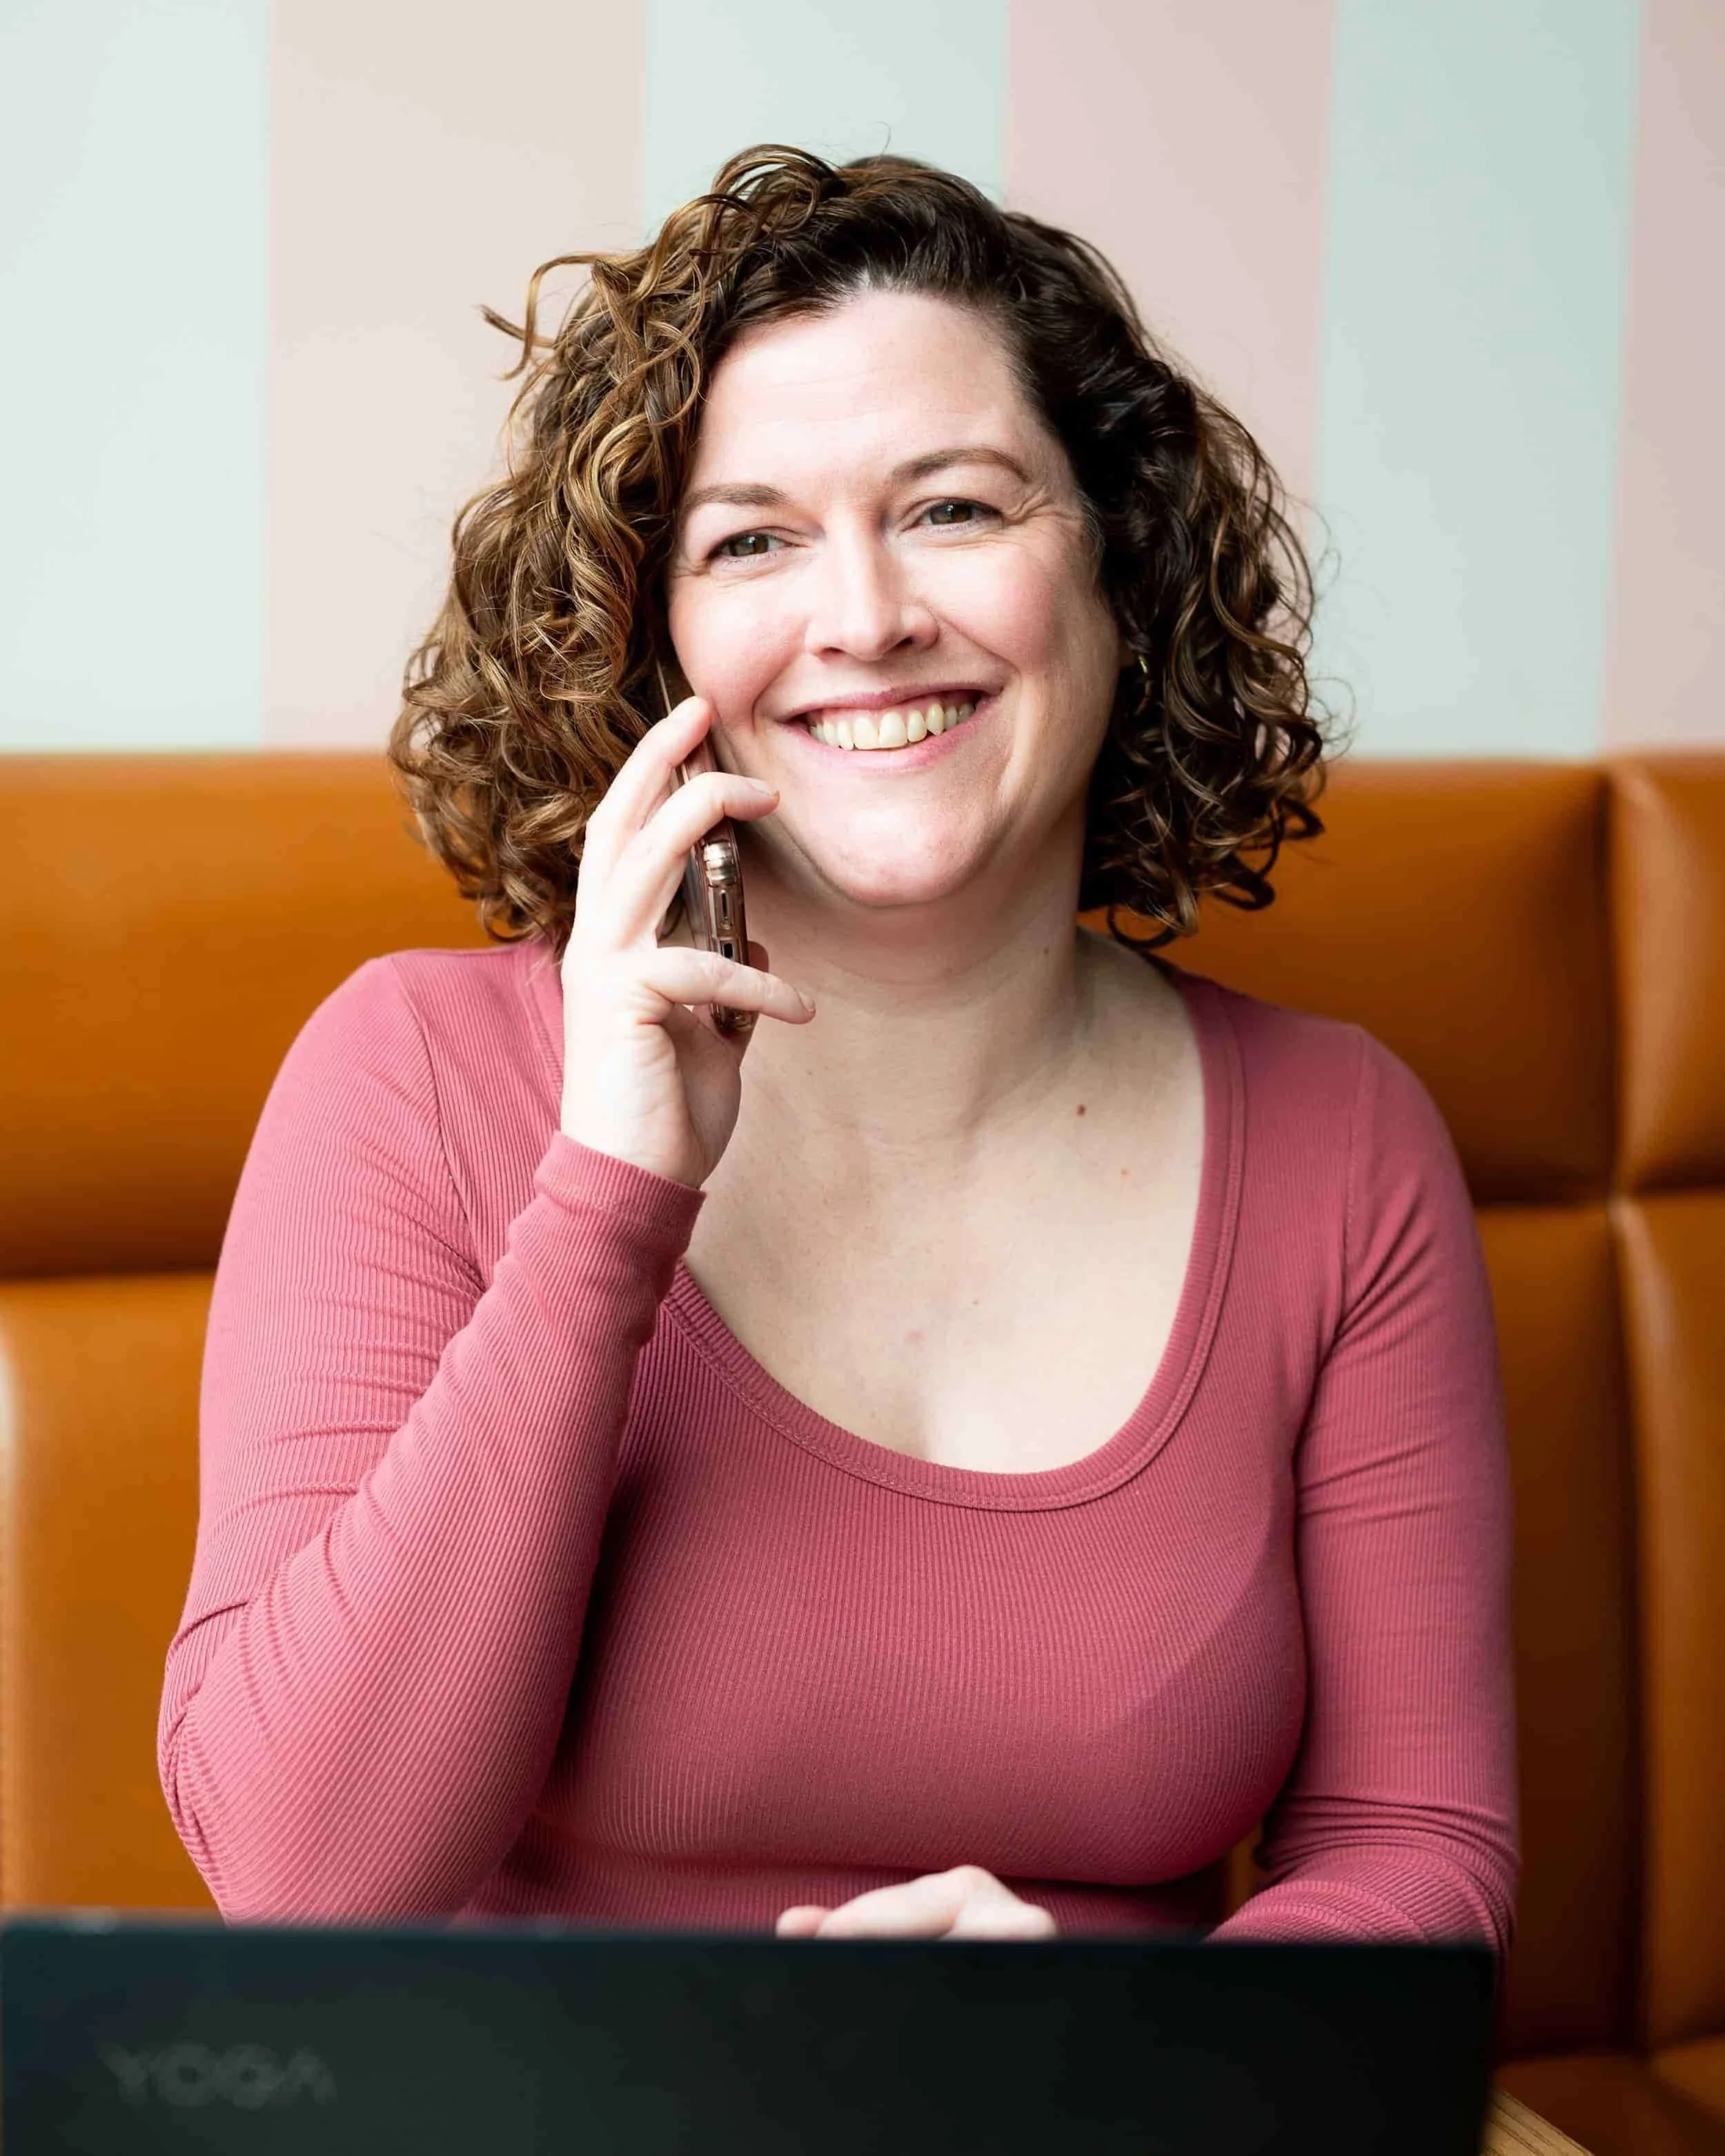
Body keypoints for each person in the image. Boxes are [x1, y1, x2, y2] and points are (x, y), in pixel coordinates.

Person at [159, 147, 1517, 1949]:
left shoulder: (1342, 1137)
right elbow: (302, 1880)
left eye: (953, 508)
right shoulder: (407, 1069)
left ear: (1120, 576)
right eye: (751, 538)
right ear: (648, 648)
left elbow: (1418, 1847)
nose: (865, 616)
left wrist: (1124, 2064)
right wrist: (611, 1190)